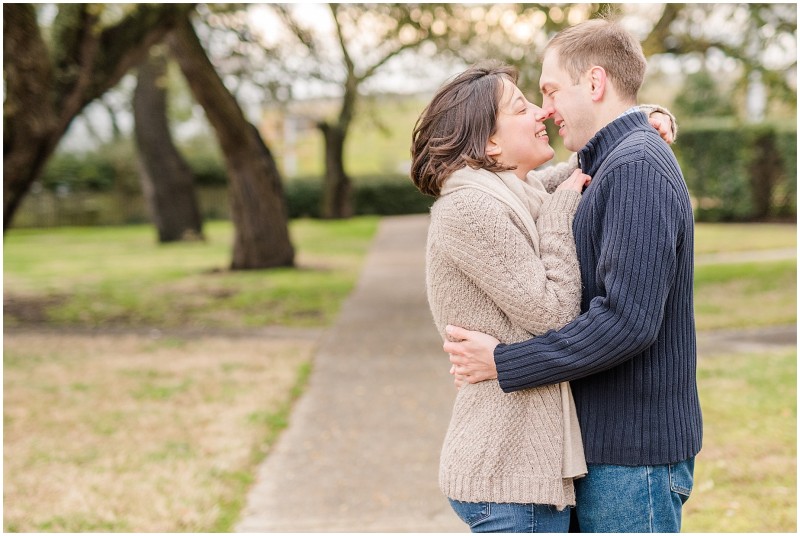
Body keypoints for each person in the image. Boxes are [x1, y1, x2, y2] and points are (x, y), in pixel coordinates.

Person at [444, 18, 701, 533]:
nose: (546, 109)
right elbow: (533, 189)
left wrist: (505, 362)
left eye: (551, 90)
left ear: (596, 83)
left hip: (634, 456)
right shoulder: (611, 161)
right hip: (607, 450)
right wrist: (649, 114)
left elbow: (627, 321)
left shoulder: (636, 167)